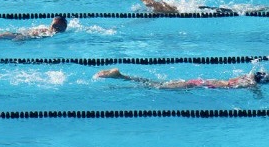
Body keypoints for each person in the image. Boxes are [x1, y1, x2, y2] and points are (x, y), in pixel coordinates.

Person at [95, 65, 268, 90]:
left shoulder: (245, 77)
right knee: (158, 86)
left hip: (199, 83)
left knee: (158, 84)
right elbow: (255, 90)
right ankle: (121, 76)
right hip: (195, 85)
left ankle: (122, 76)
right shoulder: (249, 82)